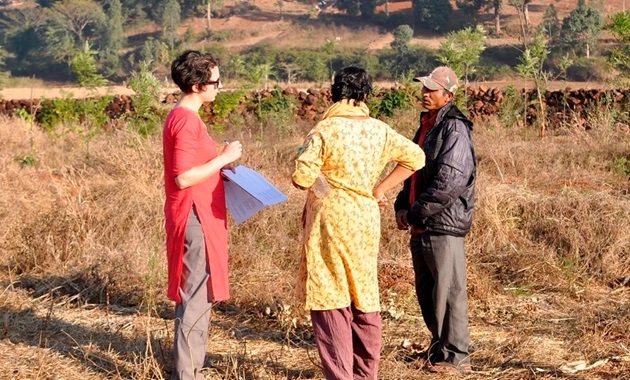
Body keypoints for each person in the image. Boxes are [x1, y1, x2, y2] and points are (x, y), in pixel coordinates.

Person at [292, 66, 426, 380]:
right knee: (364, 295)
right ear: (365, 96)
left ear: (333, 94)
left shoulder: (324, 130)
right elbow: (416, 157)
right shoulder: (379, 129)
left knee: (331, 297)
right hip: (365, 219)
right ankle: (367, 374)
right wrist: (380, 188)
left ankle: (340, 376)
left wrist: (310, 167)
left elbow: (302, 177)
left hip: (331, 220)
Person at [162, 50, 243, 380]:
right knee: (194, 297)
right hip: (194, 215)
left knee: (198, 295)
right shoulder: (185, 120)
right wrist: (223, 159)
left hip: (200, 215)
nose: (219, 87)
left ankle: (193, 366)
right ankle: (187, 372)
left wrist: (221, 164)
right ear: (196, 85)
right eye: (215, 82)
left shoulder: (185, 118)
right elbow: (183, 177)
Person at [393, 66, 476, 374]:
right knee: (429, 293)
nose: (425, 93)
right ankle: (439, 350)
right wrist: (402, 205)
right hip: (423, 223)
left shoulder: (454, 128)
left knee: (450, 292)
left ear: (448, 95)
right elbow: (411, 170)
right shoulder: (427, 126)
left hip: (442, 224)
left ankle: (456, 357)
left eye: (432, 89)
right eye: (424, 88)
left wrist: (416, 211)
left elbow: (450, 181)